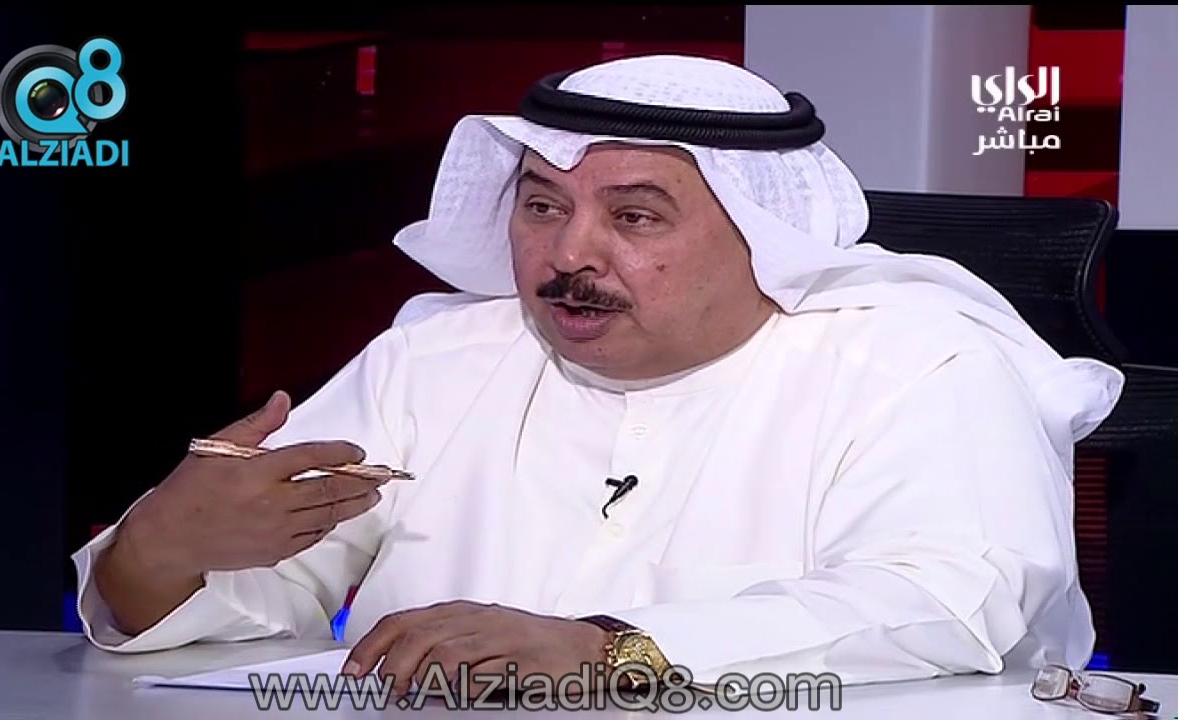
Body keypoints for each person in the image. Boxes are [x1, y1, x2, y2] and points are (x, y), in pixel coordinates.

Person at [74, 54, 1124, 697]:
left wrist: (607, 650)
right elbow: (245, 619)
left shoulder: (917, 358)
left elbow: (947, 600)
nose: (567, 253)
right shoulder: (437, 360)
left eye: (634, 216)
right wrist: (157, 553)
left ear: (762, 234)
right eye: (541, 206)